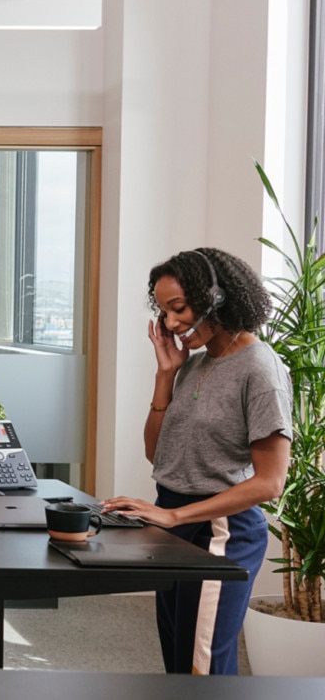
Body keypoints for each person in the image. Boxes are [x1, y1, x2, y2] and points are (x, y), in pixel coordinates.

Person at [101, 247, 292, 675]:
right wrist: (166, 374)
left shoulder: (260, 370)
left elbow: (269, 483)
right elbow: (157, 453)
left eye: (179, 308)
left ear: (217, 297)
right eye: (164, 312)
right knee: (178, 659)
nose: (171, 324)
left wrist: (176, 516)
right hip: (176, 522)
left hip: (221, 531)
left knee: (200, 668)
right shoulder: (196, 364)